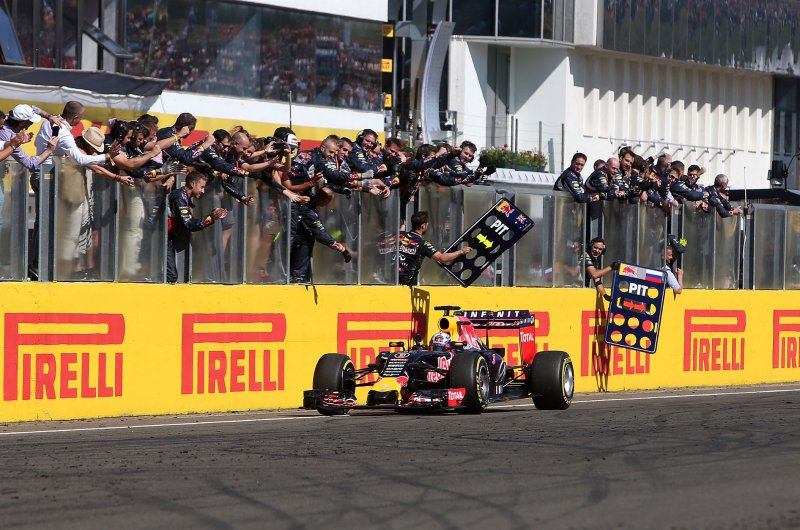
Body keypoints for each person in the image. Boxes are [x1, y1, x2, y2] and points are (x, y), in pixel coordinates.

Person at [167, 171, 228, 283]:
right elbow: (189, 224)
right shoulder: (179, 197)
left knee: (171, 276)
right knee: (171, 276)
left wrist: (212, 217)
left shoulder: (185, 197)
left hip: (170, 238)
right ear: (193, 184)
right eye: (202, 187)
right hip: (163, 239)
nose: (203, 191)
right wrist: (211, 218)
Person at [397, 211, 473, 286]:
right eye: (427, 224)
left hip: (393, 279)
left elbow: (401, 232)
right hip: (405, 283)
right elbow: (442, 258)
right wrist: (461, 251)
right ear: (423, 226)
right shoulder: (423, 244)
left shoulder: (399, 235)